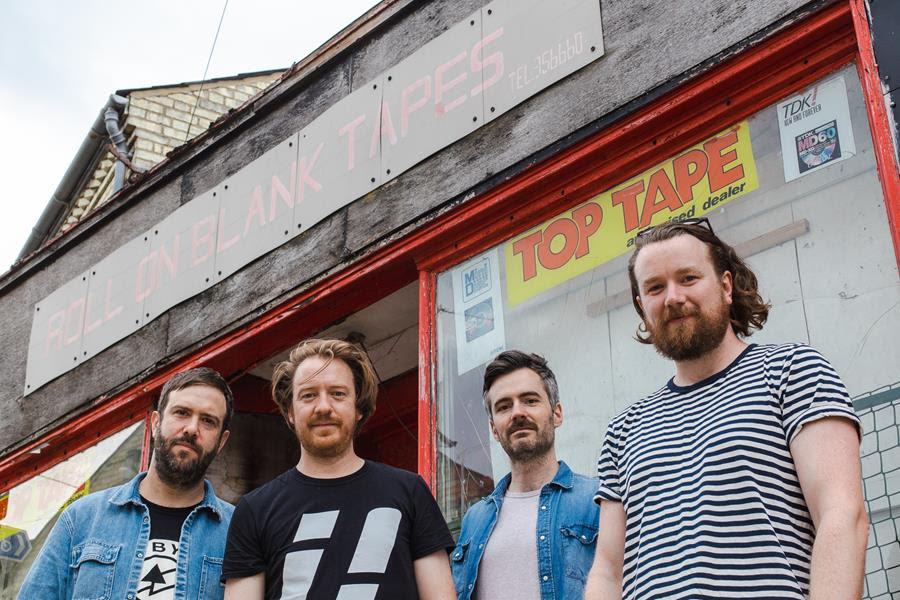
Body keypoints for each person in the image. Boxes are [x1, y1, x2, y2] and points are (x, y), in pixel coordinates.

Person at [584, 218, 868, 599]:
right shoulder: (623, 430)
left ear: (725, 285)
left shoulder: (792, 372)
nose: (672, 297)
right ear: (641, 306)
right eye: (655, 287)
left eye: (688, 278)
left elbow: (842, 516)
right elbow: (607, 572)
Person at [222, 338, 456, 600]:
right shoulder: (254, 510)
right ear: (290, 412)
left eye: (338, 394)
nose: (323, 407)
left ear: (358, 408)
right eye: (308, 395)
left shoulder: (409, 492)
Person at [19, 367, 235, 600]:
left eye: (208, 421)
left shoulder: (238, 530)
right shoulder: (82, 519)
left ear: (221, 442)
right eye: (181, 412)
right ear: (155, 423)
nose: (192, 429)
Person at [452, 350, 600, 600]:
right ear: (494, 429)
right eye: (504, 407)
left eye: (530, 401)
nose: (517, 413)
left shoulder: (598, 499)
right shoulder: (474, 520)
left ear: (557, 414)